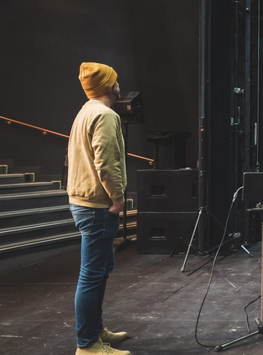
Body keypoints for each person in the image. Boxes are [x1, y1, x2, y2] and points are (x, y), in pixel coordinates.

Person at [68, 62, 131, 355]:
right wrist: (117, 199)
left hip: (86, 202)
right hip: (97, 205)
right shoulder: (104, 115)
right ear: (108, 86)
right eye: (116, 81)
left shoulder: (85, 111)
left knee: (100, 269)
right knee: (92, 274)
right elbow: (106, 163)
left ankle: (94, 331)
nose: (120, 85)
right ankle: (87, 344)